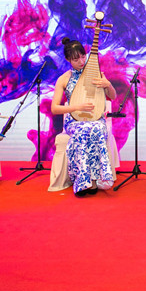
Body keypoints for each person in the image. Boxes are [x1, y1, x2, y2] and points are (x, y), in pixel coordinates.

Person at [51, 38, 117, 196]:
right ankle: (82, 181)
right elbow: (54, 108)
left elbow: (113, 96)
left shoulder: (96, 74)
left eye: (83, 56)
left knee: (97, 129)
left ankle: (93, 180)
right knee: (83, 131)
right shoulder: (64, 79)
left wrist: (108, 85)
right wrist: (76, 107)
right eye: (76, 59)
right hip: (74, 120)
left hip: (96, 119)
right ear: (68, 60)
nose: (81, 62)